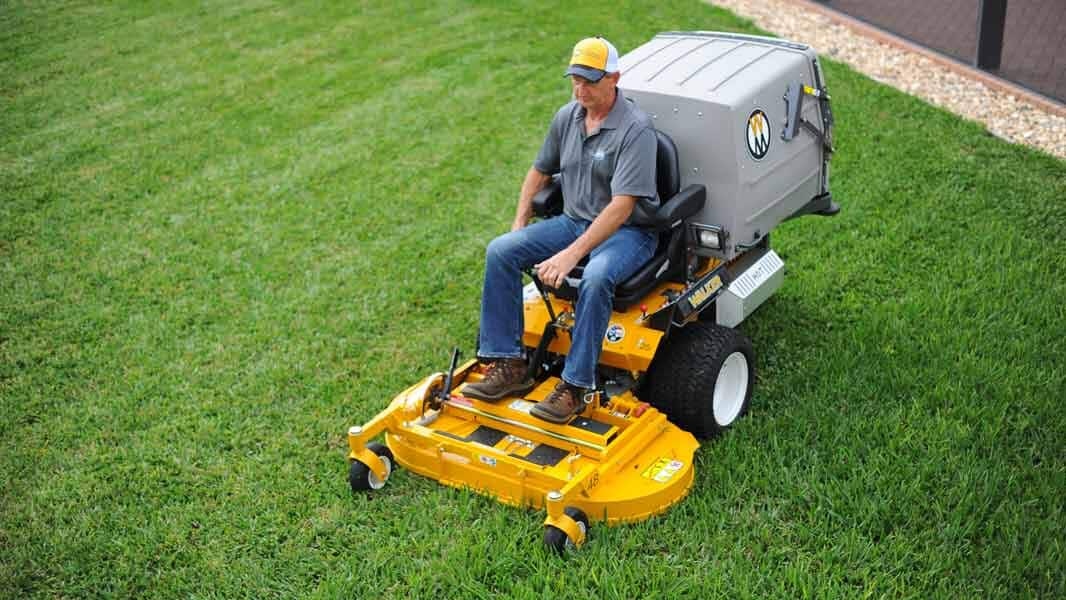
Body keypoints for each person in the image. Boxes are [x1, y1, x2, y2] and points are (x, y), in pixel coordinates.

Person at [463, 36, 658, 424]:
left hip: (628, 233)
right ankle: (509, 364)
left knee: (598, 276)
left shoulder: (636, 130)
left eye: (590, 80)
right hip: (574, 222)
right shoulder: (566, 117)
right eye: (575, 79)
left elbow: (622, 207)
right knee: (502, 250)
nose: (580, 88)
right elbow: (539, 171)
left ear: (614, 78)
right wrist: (519, 224)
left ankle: (576, 386)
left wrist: (571, 255)